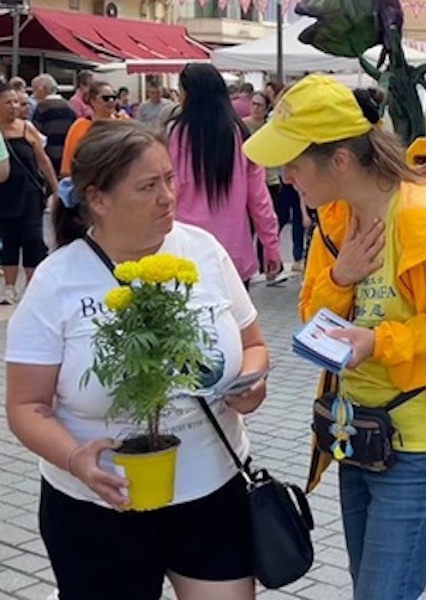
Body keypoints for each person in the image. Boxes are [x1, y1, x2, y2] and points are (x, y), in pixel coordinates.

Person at [243, 74, 426, 600]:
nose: (285, 176)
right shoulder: (334, 218)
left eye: (293, 161)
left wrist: (378, 342)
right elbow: (311, 312)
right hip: (354, 433)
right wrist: (342, 279)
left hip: (418, 447)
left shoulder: (424, 218)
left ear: (339, 160)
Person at [5, 120, 269, 600]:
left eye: (169, 179)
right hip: (95, 506)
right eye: (148, 186)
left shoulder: (204, 251)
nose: (168, 196)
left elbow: (254, 343)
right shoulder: (57, 281)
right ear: (98, 199)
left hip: (213, 490)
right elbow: (26, 406)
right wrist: (73, 458)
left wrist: (251, 382)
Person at [168, 63, 280, 288]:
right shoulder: (240, 133)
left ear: (189, 93)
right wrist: (272, 246)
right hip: (232, 251)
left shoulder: (176, 134)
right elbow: (259, 199)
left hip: (186, 250)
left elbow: (170, 192)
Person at [0, 81, 57, 304]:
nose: (14, 106)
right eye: (8, 102)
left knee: (33, 238)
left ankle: (33, 287)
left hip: (30, 194)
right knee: (9, 240)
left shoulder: (27, 128)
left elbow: (43, 161)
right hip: (4, 195)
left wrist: (54, 188)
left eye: (17, 101)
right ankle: (10, 287)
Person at [243, 92, 290, 284]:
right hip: (252, 182)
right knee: (252, 226)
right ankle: (258, 265)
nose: (255, 108)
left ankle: (269, 266)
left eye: (259, 105)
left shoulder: (269, 128)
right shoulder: (242, 126)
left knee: (269, 222)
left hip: (270, 180)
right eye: (253, 104)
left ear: (266, 108)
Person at [60, 81, 120, 177]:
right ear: (93, 101)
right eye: (106, 98)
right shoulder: (80, 125)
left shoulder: (124, 122)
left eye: (114, 97)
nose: (111, 101)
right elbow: (69, 161)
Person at [31, 74, 77, 177]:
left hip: (49, 155)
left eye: (34, 89)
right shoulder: (70, 106)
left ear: (42, 89)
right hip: (67, 155)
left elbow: (35, 133)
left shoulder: (42, 107)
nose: (33, 94)